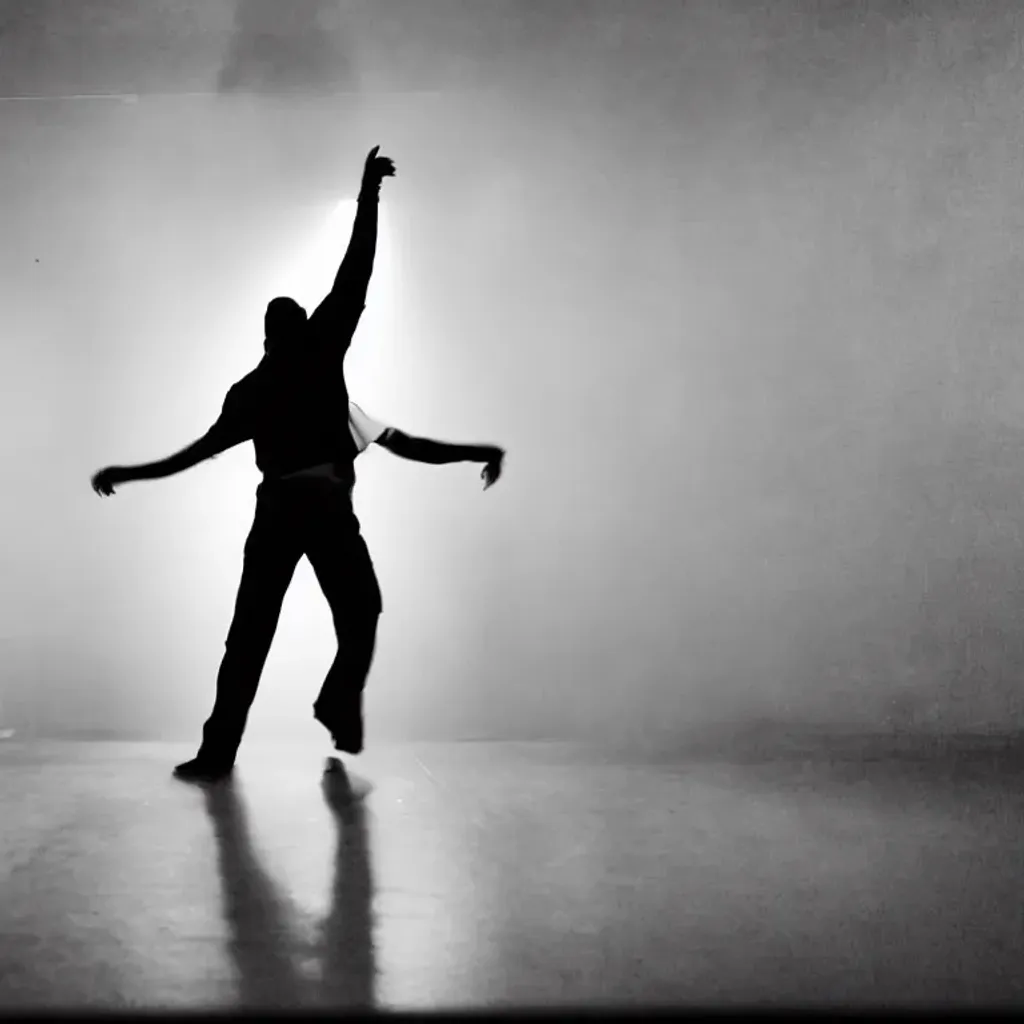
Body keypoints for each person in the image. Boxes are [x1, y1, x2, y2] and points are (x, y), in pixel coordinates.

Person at [90, 146, 504, 782]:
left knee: (252, 637)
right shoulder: (314, 357)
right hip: (319, 508)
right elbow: (357, 273)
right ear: (300, 328)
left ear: (266, 336)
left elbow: (195, 454)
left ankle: (227, 747)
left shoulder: (258, 385)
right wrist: (368, 196)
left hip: (285, 509)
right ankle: (328, 705)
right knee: (350, 614)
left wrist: (130, 473)